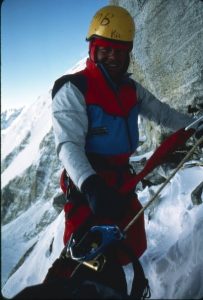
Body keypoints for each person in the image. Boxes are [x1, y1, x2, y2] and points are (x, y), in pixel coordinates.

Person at [47, 5, 201, 298]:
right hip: (88, 185)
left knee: (129, 238)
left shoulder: (131, 89)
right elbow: (68, 145)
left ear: (128, 52)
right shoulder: (73, 88)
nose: (113, 56)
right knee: (93, 253)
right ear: (93, 48)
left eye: (120, 50)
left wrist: (195, 125)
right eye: (106, 49)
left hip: (119, 179)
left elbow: (163, 114)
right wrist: (90, 185)